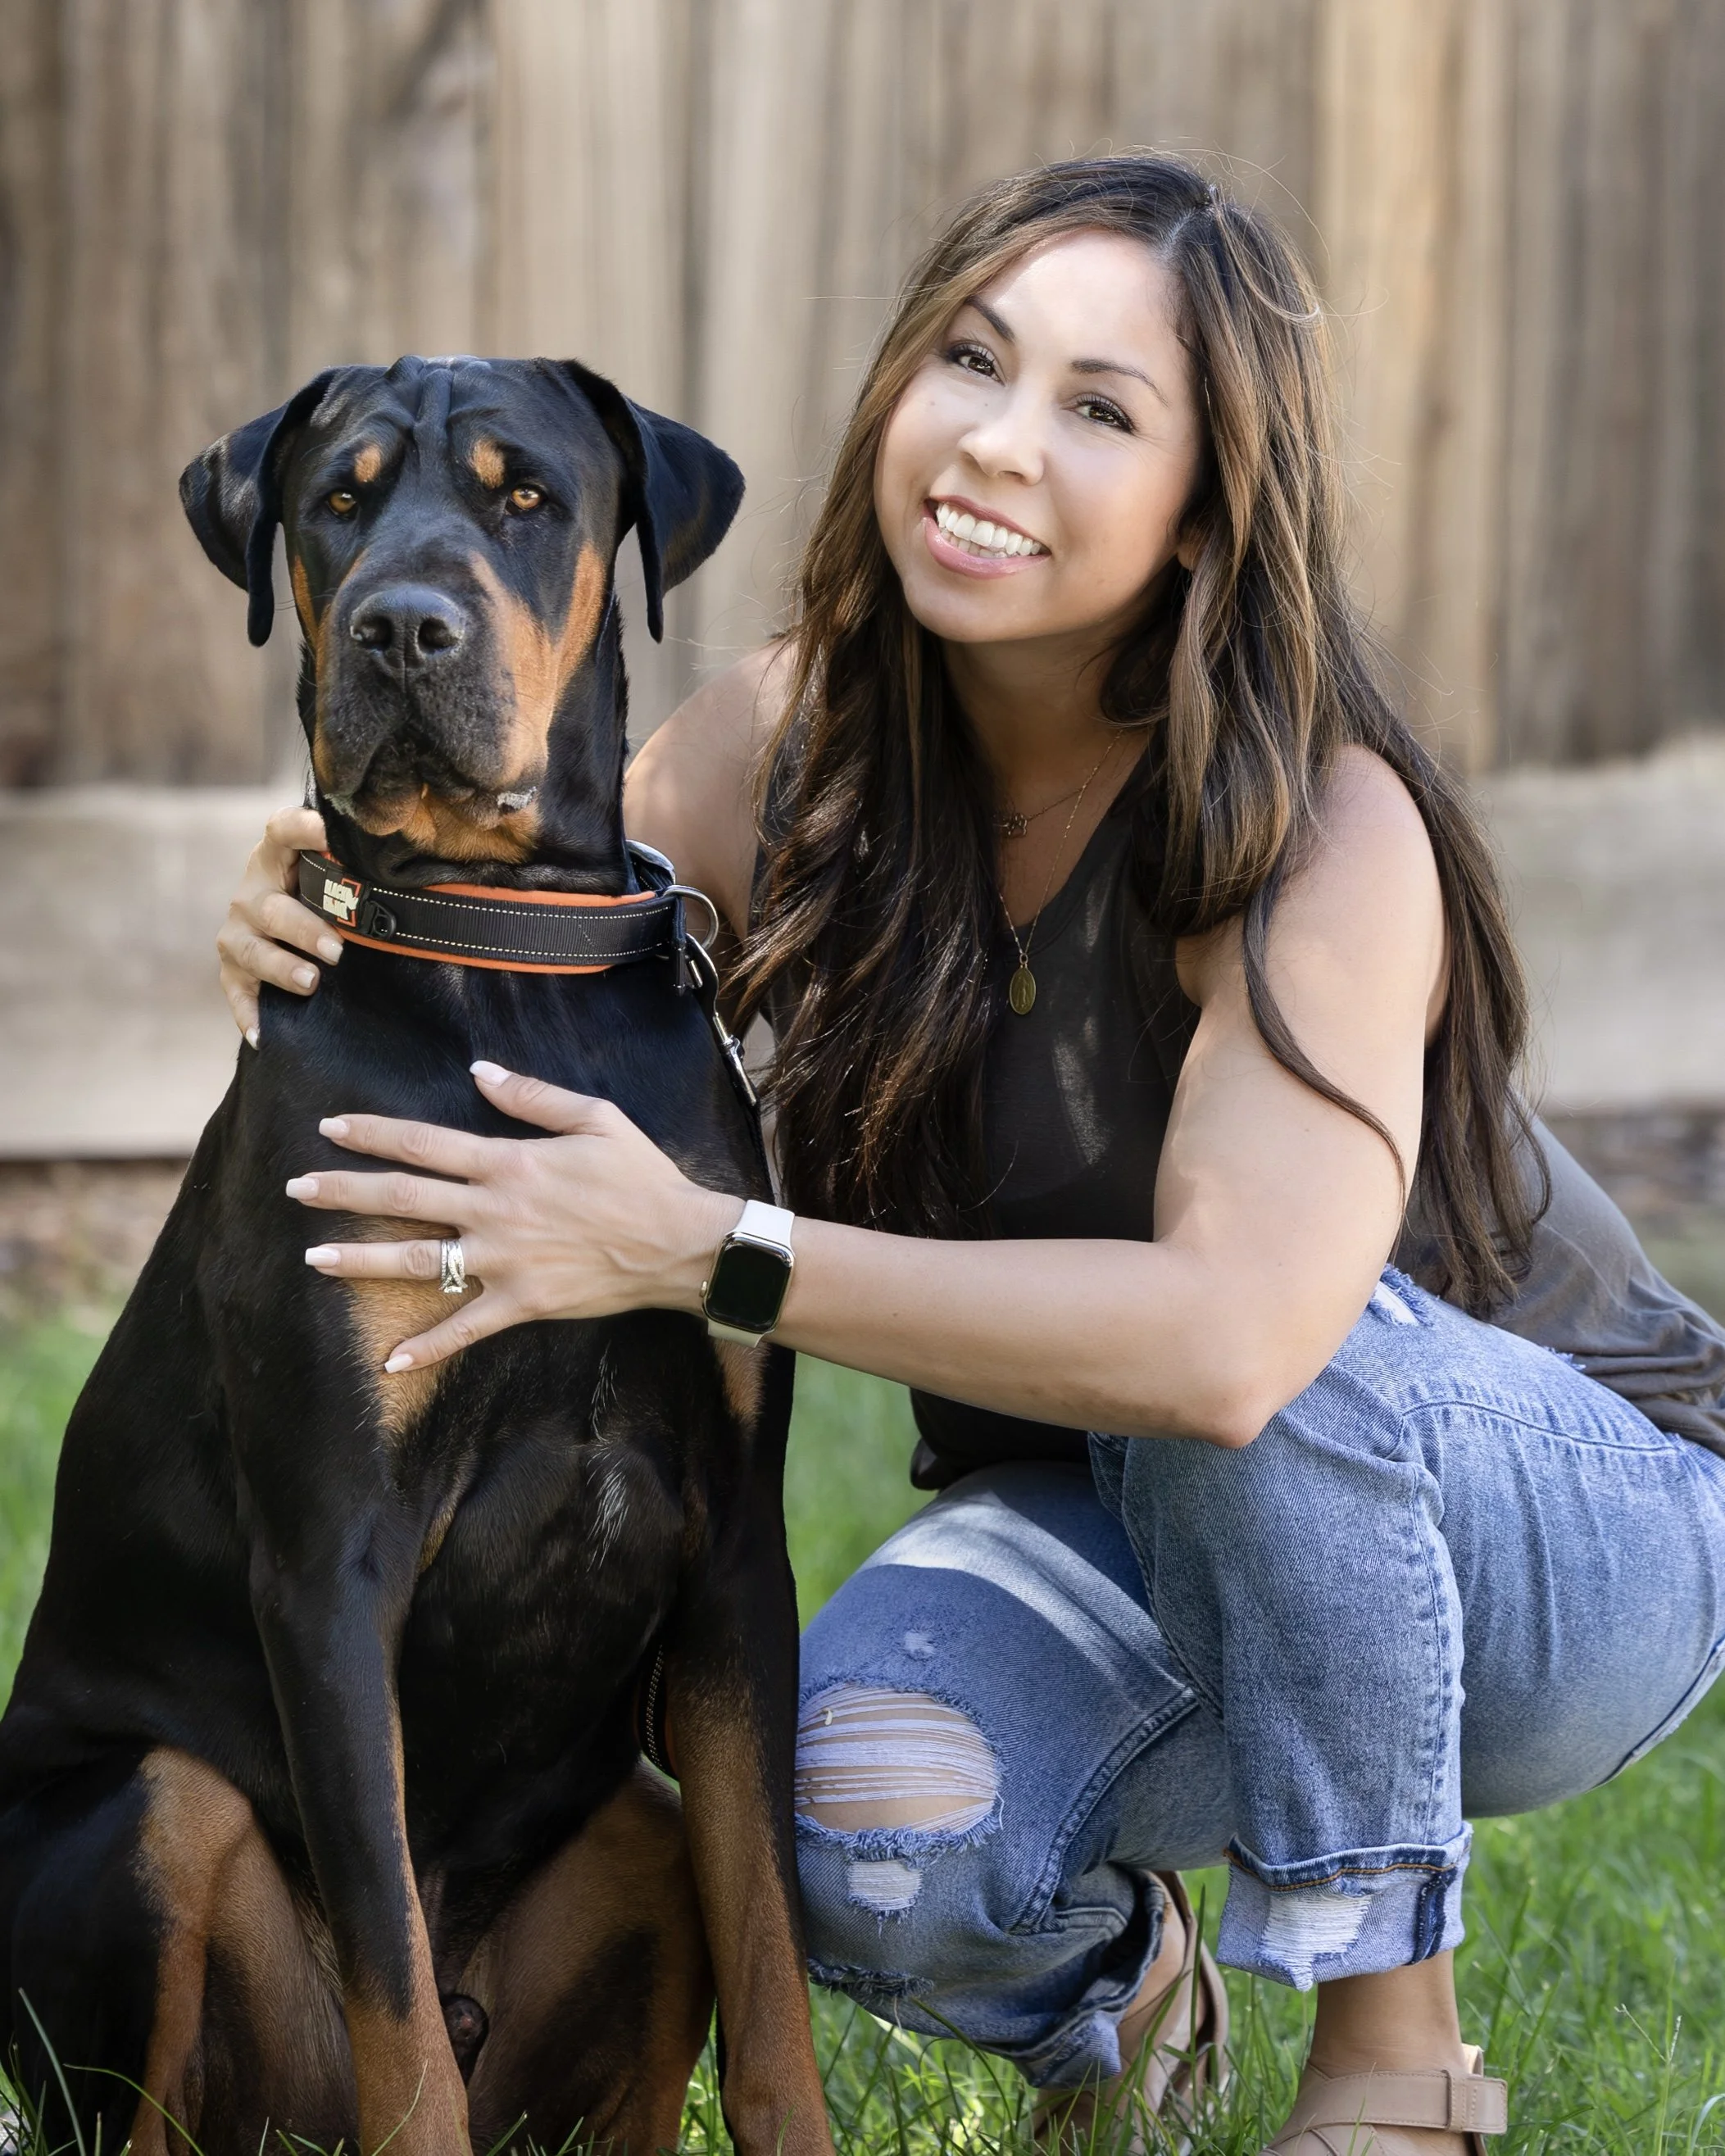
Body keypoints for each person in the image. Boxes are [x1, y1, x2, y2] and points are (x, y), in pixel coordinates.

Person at [215, 157, 1725, 2155]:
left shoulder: (1315, 820)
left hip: (1564, 1528)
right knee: (860, 1817)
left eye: (1099, 409)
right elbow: (550, 919)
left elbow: (1228, 1351)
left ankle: (1391, 2068)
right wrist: (323, 876)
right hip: (1131, 1504)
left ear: (1205, 510)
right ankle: (1120, 1993)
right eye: (970, 360)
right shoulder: (797, 745)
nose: (1000, 443)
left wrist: (703, 1251)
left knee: (1257, 1366)